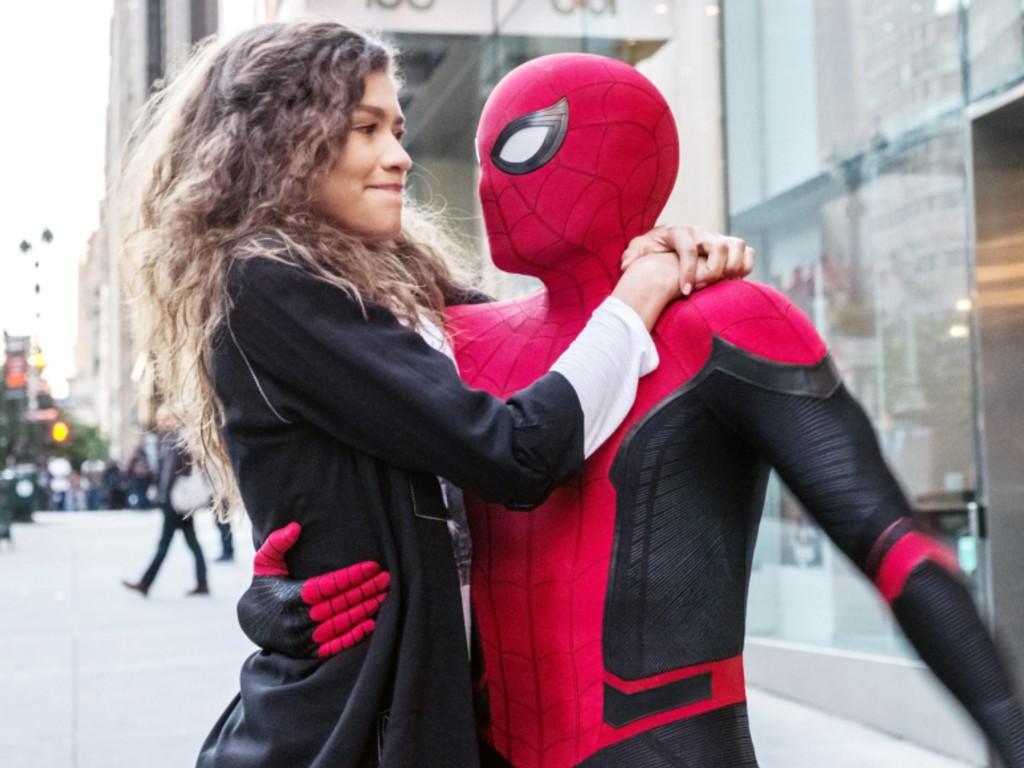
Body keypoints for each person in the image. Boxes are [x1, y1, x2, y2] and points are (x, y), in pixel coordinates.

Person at [248, 53, 1024, 767]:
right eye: (481, 158)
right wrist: (276, 607)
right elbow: (337, 501)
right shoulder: (449, 339)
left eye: (520, 147)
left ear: (624, 154)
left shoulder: (720, 322)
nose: (487, 184)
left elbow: (892, 544)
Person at [115, 22, 751, 768]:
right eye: (366, 129)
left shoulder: (395, 278)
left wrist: (659, 260)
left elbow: (550, 358)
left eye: (399, 129)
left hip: (447, 711)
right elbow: (514, 449)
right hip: (348, 733)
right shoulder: (270, 284)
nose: (400, 155)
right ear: (282, 142)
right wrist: (638, 294)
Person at [122, 404, 209, 597]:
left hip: (174, 501)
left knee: (166, 544)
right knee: (190, 542)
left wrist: (164, 495)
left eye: (165, 419)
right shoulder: (171, 439)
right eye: (160, 419)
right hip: (177, 501)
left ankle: (146, 583)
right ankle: (201, 582)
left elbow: (171, 472)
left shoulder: (175, 439)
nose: (161, 423)